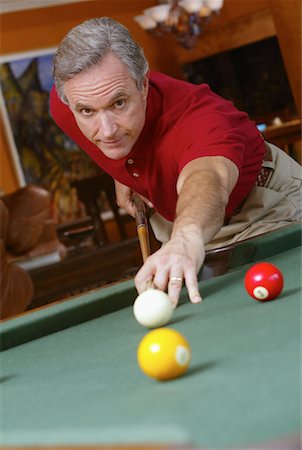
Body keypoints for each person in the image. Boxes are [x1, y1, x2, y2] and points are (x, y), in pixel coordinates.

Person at [50, 17, 302, 306]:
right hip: (177, 223)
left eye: (118, 103)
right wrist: (122, 173)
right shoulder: (68, 101)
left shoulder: (201, 120)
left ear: (143, 85)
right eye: (87, 111)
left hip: (264, 206)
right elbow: (102, 126)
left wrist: (186, 237)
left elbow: (209, 179)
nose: (106, 130)